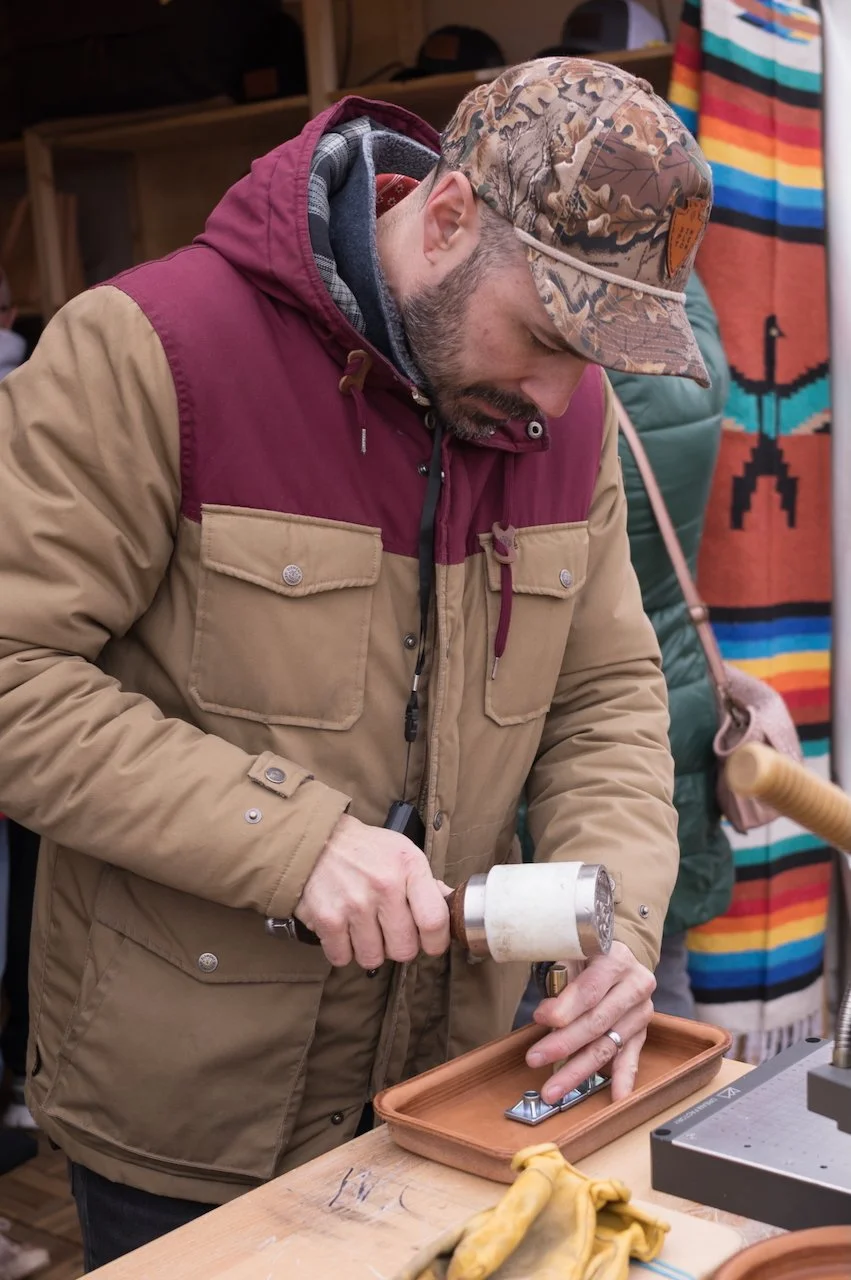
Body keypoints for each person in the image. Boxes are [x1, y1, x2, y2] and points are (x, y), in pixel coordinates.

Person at [0, 58, 712, 1269]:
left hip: (455, 1101)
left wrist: (616, 925)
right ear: (442, 221)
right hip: (189, 1120)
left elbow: (603, 695)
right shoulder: (153, 348)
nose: (557, 395)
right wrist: (289, 839)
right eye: (542, 336)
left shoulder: (565, 411)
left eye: (591, 360)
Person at [611, 272, 733, 1020]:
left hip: (592, 744)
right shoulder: (699, 367)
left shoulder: (567, 411)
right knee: (662, 977)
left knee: (559, 1003)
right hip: (674, 707)